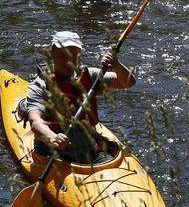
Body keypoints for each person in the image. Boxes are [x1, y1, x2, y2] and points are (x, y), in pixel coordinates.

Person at [20, 31, 135, 164]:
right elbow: (35, 121)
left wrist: (117, 66)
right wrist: (52, 137)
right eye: (64, 55)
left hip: (87, 145)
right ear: (52, 54)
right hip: (53, 151)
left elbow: (128, 82)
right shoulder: (40, 86)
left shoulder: (90, 76)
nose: (69, 60)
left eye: (74, 55)